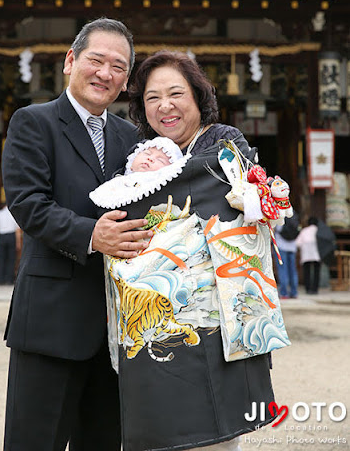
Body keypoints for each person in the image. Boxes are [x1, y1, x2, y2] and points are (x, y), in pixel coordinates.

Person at [1, 18, 153, 451]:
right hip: (51, 322)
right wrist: (93, 235)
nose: (106, 73)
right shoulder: (34, 122)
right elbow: (28, 204)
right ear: (71, 61)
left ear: (126, 81)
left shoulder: (132, 138)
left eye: (118, 67)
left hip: (116, 332)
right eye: (96, 60)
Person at [123, 50, 277, 451]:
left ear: (197, 96)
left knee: (220, 434)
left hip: (221, 310)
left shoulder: (224, 141)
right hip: (163, 309)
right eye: (152, 98)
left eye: (176, 93)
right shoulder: (141, 155)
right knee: (164, 424)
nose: (165, 106)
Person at [89, 136, 191, 209]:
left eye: (160, 160)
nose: (150, 159)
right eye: (147, 153)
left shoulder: (162, 190)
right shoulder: (120, 180)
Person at [0, 202, 21, 285]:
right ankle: (9, 279)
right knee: (11, 258)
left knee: (1, 258)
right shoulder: (13, 214)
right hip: (11, 236)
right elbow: (18, 230)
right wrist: (18, 242)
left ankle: (0, 279)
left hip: (2, 236)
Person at [274, 213, 300, 299]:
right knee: (293, 270)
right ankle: (294, 292)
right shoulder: (292, 213)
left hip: (281, 245)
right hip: (292, 246)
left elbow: (276, 228)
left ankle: (284, 293)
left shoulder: (279, 213)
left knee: (282, 269)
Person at [296, 216, 321, 294]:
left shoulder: (304, 231)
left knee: (307, 272)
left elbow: (297, 243)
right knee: (316, 272)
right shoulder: (320, 231)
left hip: (306, 255)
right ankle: (315, 289)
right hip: (317, 255)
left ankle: (308, 289)